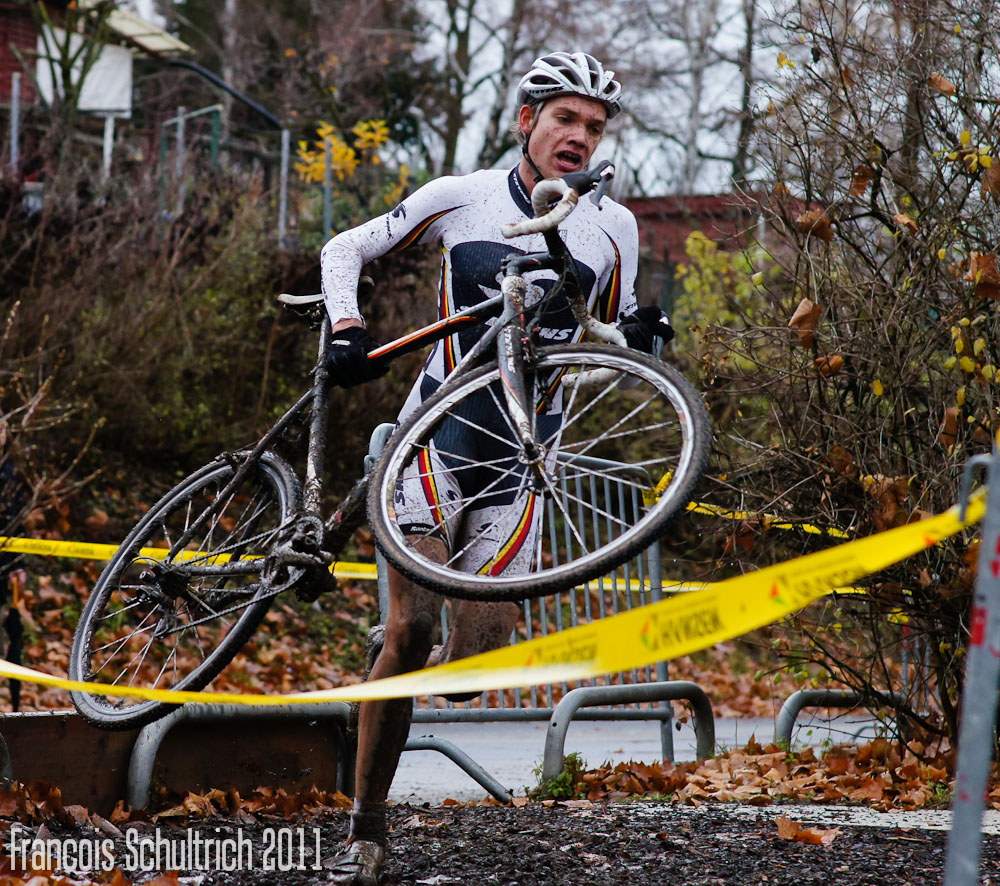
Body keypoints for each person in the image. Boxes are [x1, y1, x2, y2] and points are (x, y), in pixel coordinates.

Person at [319, 51, 672, 885]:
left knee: (471, 674)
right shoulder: (462, 197)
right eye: (565, 120)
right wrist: (344, 326)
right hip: (433, 442)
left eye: (594, 126)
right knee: (410, 634)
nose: (579, 137)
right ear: (527, 121)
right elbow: (345, 247)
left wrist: (643, 337)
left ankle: (403, 652)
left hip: (526, 459)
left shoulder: (612, 228)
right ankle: (367, 829)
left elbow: (605, 335)